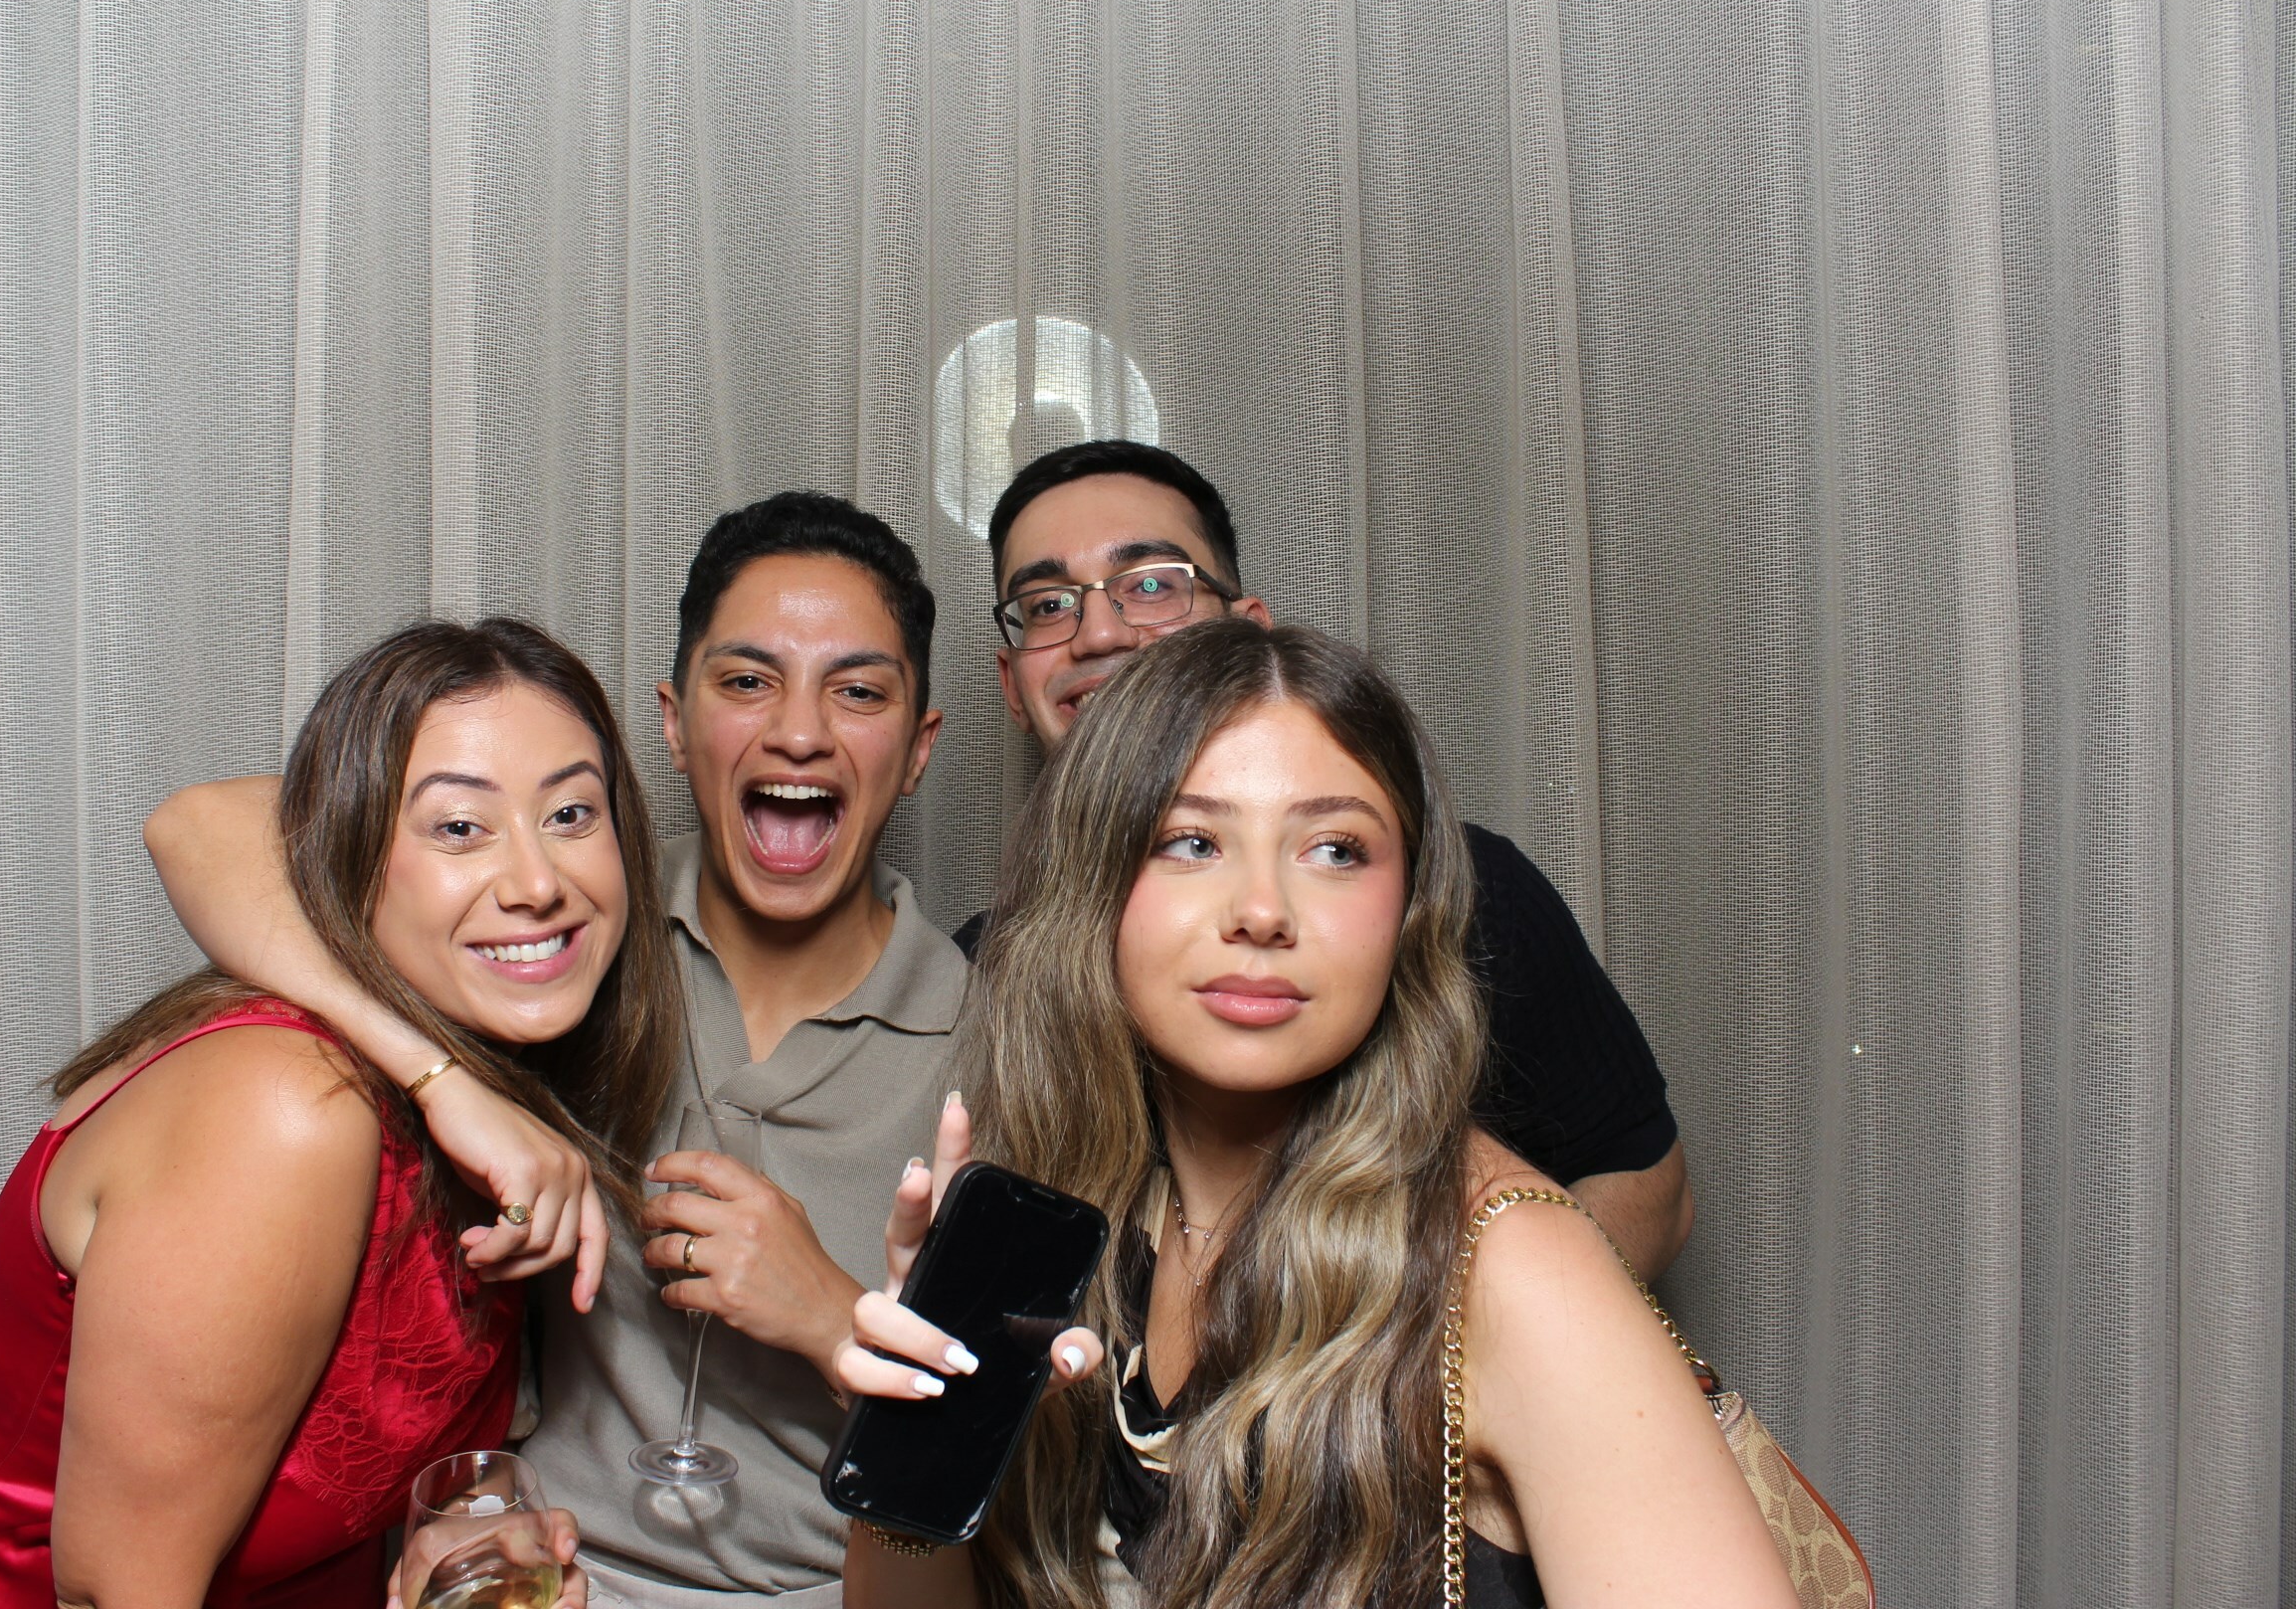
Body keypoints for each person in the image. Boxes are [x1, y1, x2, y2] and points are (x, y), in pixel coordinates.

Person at [834, 619, 1796, 1609]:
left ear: (1409, 908)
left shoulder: (1511, 1269)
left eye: (1336, 849)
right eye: (1192, 842)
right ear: (1094, 886)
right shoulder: (1084, 1214)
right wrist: (923, 1436)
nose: (1263, 910)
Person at [144, 492, 964, 1605]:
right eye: (746, 681)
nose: (800, 732)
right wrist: (450, 1085)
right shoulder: (563, 947)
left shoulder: (999, 1041)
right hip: (561, 1577)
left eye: (858, 692)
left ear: (917, 749)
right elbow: (201, 826)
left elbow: (1020, 1469)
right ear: (672, 722)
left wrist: (827, 1318)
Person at [0, 618, 679, 1608]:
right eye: (457, 828)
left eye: (570, 814)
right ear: (351, 858)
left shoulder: (495, 1097)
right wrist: (443, 1079)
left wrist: (448, 1532)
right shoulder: (287, 1106)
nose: (538, 883)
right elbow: (115, 1590)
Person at [968, 440, 1692, 1277]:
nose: (1098, 631)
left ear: (1250, 635)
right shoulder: (988, 966)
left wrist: (1478, 1334)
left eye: (1154, 585)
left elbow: (1646, 1183)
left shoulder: (1458, 891)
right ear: (1013, 685)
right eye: (1048, 604)